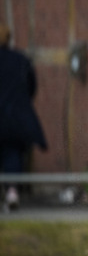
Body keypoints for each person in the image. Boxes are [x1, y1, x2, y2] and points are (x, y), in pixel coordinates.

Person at [0, 23, 47, 211]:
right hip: (15, 120)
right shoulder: (21, 60)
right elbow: (31, 87)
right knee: (12, 154)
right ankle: (12, 192)